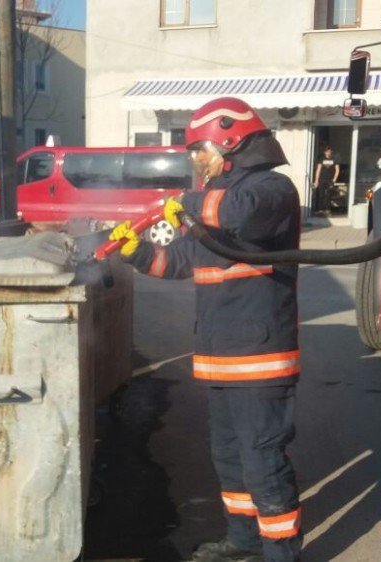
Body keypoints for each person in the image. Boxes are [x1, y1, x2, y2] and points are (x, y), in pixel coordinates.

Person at [109, 97, 302, 562]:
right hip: (220, 360)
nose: (196, 161)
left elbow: (239, 214)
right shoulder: (212, 204)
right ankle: (243, 543)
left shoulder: (271, 190)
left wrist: (183, 203)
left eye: (202, 149)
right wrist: (136, 253)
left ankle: (282, 556)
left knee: (263, 463)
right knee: (230, 461)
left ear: (231, 142)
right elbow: (181, 262)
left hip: (260, 361)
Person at [312, 146, 339, 216]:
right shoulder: (321, 159)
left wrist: (334, 180)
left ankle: (328, 210)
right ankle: (320, 210)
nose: (328, 153)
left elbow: (337, 170)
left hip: (330, 180)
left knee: (328, 195)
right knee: (320, 194)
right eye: (327, 151)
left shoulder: (334, 159)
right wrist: (316, 181)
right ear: (325, 152)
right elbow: (318, 170)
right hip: (321, 179)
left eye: (329, 151)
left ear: (331, 152)